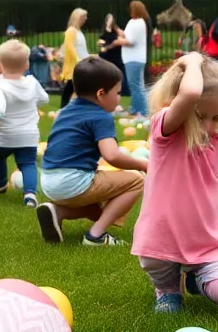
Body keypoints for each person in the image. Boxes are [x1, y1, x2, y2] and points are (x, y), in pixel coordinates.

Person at [130, 52, 218, 313]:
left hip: (210, 241)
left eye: (216, 117)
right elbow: (191, 94)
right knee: (158, 263)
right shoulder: (166, 131)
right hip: (163, 239)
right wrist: (192, 61)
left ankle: (201, 278)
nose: (209, 126)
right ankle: (168, 289)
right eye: (200, 116)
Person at [36, 57, 147, 246]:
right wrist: (145, 165)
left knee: (98, 208)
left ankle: (58, 212)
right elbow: (111, 155)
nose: (120, 98)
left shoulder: (65, 111)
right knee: (136, 181)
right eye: (118, 92)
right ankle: (96, 236)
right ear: (101, 94)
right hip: (72, 182)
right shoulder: (100, 116)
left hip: (48, 181)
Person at [0, 40, 50, 208]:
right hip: (28, 135)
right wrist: (31, 106)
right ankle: (30, 194)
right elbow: (44, 98)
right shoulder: (32, 82)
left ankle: (0, 184)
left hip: (5, 135)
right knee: (28, 163)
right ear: (27, 64)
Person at [121, 0, 150, 118]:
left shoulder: (137, 23)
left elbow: (130, 41)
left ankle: (142, 112)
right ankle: (135, 108)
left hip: (134, 59)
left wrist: (116, 42)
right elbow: (127, 35)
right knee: (136, 86)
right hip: (134, 58)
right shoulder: (137, 22)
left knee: (136, 86)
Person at [59, 8, 89, 108]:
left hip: (81, 63)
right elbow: (70, 46)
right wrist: (77, 60)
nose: (85, 19)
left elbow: (81, 48)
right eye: (83, 17)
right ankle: (64, 108)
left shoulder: (78, 31)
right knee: (70, 88)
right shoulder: (71, 31)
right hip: (75, 65)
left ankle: (67, 107)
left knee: (73, 88)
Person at [98, 13, 128, 99]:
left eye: (111, 20)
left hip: (116, 57)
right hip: (107, 58)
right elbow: (102, 47)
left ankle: (123, 91)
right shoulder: (104, 34)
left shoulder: (117, 32)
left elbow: (123, 37)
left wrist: (115, 27)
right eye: (108, 19)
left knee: (120, 75)